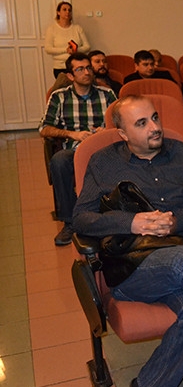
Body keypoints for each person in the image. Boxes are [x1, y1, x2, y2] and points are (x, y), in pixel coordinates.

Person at [72, 95, 183, 387]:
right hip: (131, 269)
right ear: (123, 133)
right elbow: (80, 219)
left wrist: (176, 221)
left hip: (182, 256)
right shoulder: (103, 162)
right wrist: (131, 222)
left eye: (155, 118)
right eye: (141, 123)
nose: (154, 127)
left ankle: (146, 385)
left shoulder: (182, 153)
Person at [39, 53, 116, 245]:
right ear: (70, 75)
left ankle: (112, 217)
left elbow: (122, 122)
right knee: (59, 161)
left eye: (88, 68)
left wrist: (106, 130)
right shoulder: (60, 97)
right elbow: (44, 129)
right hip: (74, 149)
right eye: (80, 69)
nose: (86, 72)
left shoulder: (107, 94)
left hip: (103, 147)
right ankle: (70, 222)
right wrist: (72, 134)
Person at [44, 1, 90, 78]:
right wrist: (66, 50)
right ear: (58, 12)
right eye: (64, 9)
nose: (67, 12)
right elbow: (48, 49)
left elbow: (87, 46)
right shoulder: (51, 29)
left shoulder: (77, 28)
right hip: (60, 67)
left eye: (69, 10)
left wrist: (75, 50)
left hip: (77, 67)